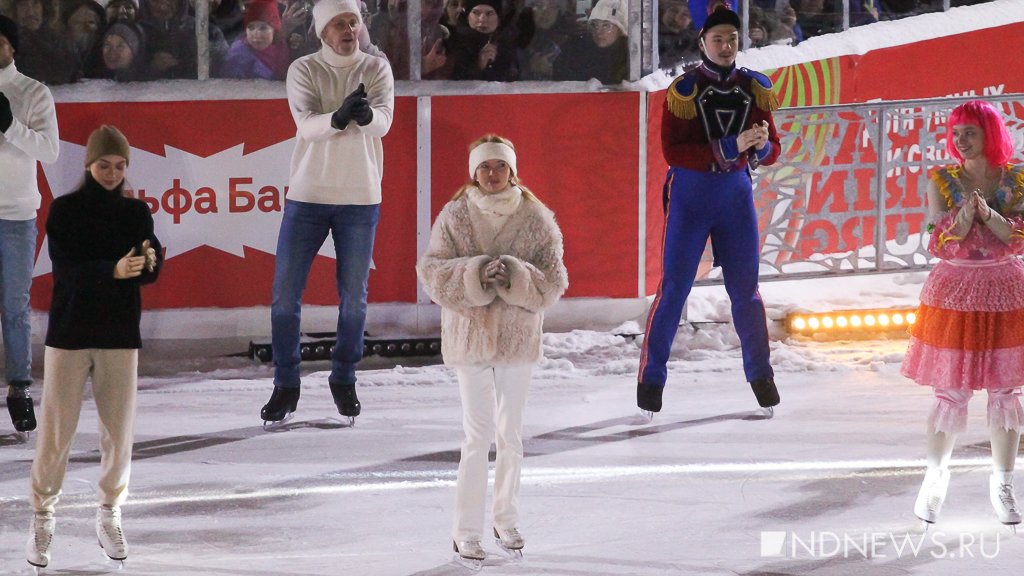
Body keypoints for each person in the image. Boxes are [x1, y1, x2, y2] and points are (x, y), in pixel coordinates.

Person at [416, 135, 568, 563]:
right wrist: (476, 273)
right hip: (471, 337)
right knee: (477, 435)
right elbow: (432, 271)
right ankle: (466, 530)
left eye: (500, 166)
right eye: (485, 167)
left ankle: (505, 518)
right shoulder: (456, 215)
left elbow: (553, 281)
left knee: (510, 436)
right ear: (474, 171)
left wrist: (517, 275)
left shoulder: (537, 217)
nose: (493, 174)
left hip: (517, 339)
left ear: (512, 170)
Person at [25, 125, 162, 569]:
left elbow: (147, 261)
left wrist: (150, 261)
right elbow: (66, 272)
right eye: (104, 164)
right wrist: (115, 271)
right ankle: (43, 516)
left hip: (119, 335)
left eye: (120, 166)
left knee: (118, 434)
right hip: (70, 333)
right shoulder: (64, 211)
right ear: (89, 165)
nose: (112, 172)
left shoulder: (136, 211)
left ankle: (110, 511)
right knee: (56, 432)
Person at [636, 5, 781, 416]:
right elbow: (673, 152)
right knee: (674, 290)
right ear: (702, 42)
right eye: (717, 39)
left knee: (746, 293)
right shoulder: (683, 91)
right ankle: (651, 380)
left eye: (732, 39)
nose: (726, 45)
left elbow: (774, 149)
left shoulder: (755, 88)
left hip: (735, 198)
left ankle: (761, 376)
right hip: (691, 198)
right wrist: (730, 147)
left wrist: (761, 145)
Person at [260, 0, 394, 426]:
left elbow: (385, 121)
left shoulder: (375, 68)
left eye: (353, 21)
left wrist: (367, 114)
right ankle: (286, 383)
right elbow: (305, 124)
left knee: (353, 297)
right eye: (339, 23)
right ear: (323, 31)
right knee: (285, 297)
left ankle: (344, 376)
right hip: (309, 195)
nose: (348, 29)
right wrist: (336, 119)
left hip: (359, 197)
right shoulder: (304, 70)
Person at [902, 100, 1024, 527]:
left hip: (1005, 287)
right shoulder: (942, 179)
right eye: (955, 134)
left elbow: (1019, 238)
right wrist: (962, 218)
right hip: (955, 288)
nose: (960, 141)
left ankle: (1004, 485)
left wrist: (988, 216)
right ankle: (934, 481)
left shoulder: (1016, 179)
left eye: (969, 132)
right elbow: (937, 241)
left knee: (1006, 391)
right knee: (950, 391)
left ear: (989, 134)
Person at [0, 14, 59, 435]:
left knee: (15, 306)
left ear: (12, 47)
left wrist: (9, 125)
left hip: (16, 213)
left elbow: (49, 151)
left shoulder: (32, 92)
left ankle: (19, 387)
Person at [551, 0, 628, 84]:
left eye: (606, 25)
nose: (598, 31)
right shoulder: (574, 50)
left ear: (620, 29)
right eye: (594, 25)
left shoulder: (631, 56)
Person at [450, 0, 518, 81]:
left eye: (489, 13)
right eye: (476, 12)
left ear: (498, 19)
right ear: (467, 16)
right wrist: (478, 66)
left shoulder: (509, 45)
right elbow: (452, 84)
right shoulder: (455, 44)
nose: (482, 19)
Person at [219, 0, 288, 80]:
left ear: (274, 30)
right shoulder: (237, 58)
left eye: (263, 28)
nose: (256, 35)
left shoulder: (281, 47)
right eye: (251, 28)